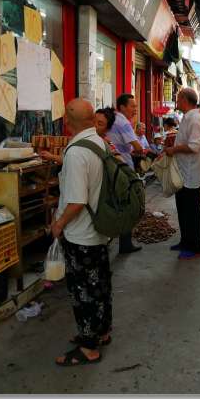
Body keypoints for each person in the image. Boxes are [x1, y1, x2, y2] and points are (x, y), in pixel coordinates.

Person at [51, 99, 112, 366]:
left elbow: (76, 200)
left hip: (80, 234)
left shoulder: (76, 152)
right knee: (100, 285)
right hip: (98, 228)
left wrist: (59, 224)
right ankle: (102, 331)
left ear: (67, 122)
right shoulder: (98, 142)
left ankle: (89, 347)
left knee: (83, 291)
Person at [165, 88, 200, 260]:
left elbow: (194, 146)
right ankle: (185, 241)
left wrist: (174, 149)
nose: (176, 100)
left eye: (177, 97)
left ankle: (195, 247)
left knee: (191, 212)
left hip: (190, 173)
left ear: (184, 99)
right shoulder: (188, 117)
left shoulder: (195, 118)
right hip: (183, 171)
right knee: (183, 209)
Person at [105, 94, 143, 254]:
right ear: (121, 107)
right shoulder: (122, 121)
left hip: (110, 167)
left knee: (114, 202)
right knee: (127, 203)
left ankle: (114, 236)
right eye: (132, 106)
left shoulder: (111, 119)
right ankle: (125, 243)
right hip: (124, 168)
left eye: (135, 106)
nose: (135, 109)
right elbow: (138, 146)